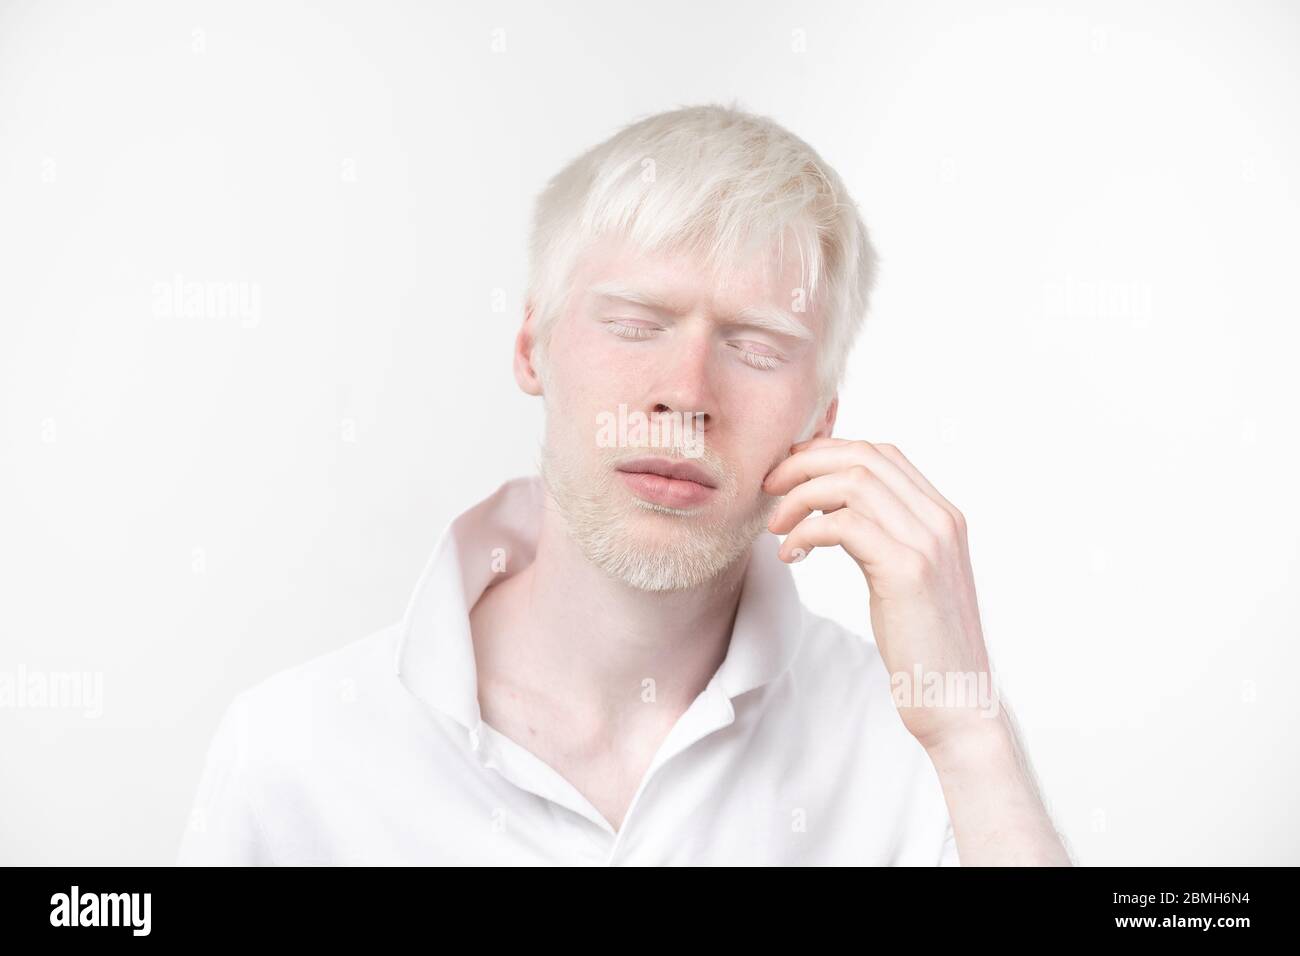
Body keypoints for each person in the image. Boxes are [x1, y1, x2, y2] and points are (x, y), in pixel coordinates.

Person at [177, 103, 1072, 865]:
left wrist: (969, 732)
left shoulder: (911, 748)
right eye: (636, 324)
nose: (685, 396)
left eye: (756, 348)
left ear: (821, 420)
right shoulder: (295, 756)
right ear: (531, 347)